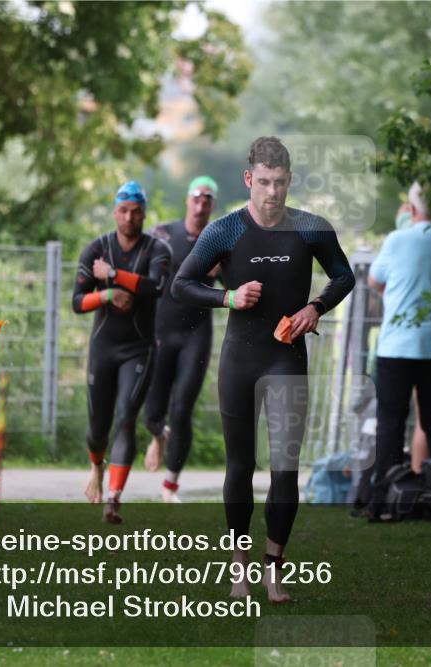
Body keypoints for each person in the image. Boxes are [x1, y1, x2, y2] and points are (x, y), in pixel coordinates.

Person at [172, 137, 355, 602]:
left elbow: (344, 276)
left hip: (286, 359)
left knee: (285, 469)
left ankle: (274, 569)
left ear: (289, 180)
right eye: (264, 182)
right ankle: (240, 569)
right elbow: (182, 285)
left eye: (281, 183)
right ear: (249, 179)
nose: (273, 192)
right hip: (240, 360)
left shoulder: (311, 229)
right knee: (240, 466)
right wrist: (228, 297)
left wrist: (316, 307)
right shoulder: (226, 231)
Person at [72, 181, 171, 524]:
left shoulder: (157, 249)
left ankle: (113, 499)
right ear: (115, 212)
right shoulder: (95, 249)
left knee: (126, 417)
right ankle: (96, 467)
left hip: (139, 348)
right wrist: (107, 295)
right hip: (104, 347)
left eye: (136, 211)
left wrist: (113, 276)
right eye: (124, 210)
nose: (130, 217)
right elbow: (76, 302)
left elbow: (156, 287)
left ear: (144, 213)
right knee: (97, 428)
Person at [364, 181, 431, 521]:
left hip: (396, 346)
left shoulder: (397, 240)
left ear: (413, 208)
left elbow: (375, 280)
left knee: (390, 424)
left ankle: (382, 501)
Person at [142, 176, 221, 503]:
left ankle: (170, 486)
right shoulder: (162, 233)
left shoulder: (219, 241)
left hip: (196, 334)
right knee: (152, 413)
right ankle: (158, 436)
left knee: (182, 408)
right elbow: (137, 266)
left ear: (212, 205)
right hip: (161, 331)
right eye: (196, 198)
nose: (201, 205)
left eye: (207, 200)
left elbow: (235, 285)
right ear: (188, 200)